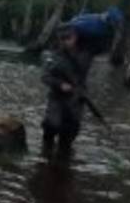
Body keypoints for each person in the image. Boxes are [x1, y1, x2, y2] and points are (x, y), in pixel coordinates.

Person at [41, 23, 96, 157]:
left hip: (76, 98)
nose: (66, 41)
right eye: (62, 38)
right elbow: (45, 77)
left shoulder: (86, 52)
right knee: (51, 126)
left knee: (68, 134)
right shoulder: (53, 55)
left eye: (68, 37)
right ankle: (45, 155)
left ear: (75, 36)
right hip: (57, 97)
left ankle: (63, 162)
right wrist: (60, 84)